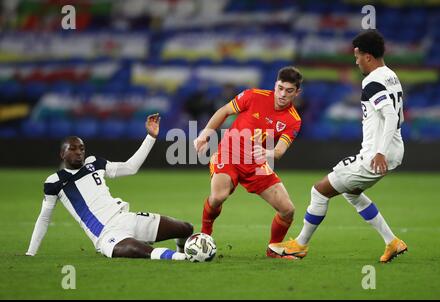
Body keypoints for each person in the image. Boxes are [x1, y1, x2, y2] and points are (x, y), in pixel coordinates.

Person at [268, 30, 407, 263]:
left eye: (358, 56)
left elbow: (391, 116)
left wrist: (380, 152)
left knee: (319, 190)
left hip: (376, 154)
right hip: (394, 149)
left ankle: (299, 245)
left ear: (368, 57)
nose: (356, 61)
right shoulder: (391, 75)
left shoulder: (372, 81)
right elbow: (397, 117)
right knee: (352, 194)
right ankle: (392, 241)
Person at [26, 114, 193, 260]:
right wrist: (30, 253)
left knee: (185, 228)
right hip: (106, 234)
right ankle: (184, 258)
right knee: (140, 251)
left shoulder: (94, 163)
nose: (79, 152)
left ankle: (182, 251)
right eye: (73, 149)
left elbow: (130, 168)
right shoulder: (54, 182)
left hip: (126, 218)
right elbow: (44, 218)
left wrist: (151, 136)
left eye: (82, 149)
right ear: (62, 154)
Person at [193, 66, 303, 259]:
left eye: (289, 90)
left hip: (256, 164)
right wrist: (205, 133)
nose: (283, 94)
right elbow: (224, 111)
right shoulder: (253, 95)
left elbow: (279, 151)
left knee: (288, 210)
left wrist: (270, 152)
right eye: (280, 88)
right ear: (275, 85)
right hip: (229, 154)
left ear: (297, 92)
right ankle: (204, 235)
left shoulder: (293, 120)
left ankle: (273, 250)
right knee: (219, 196)